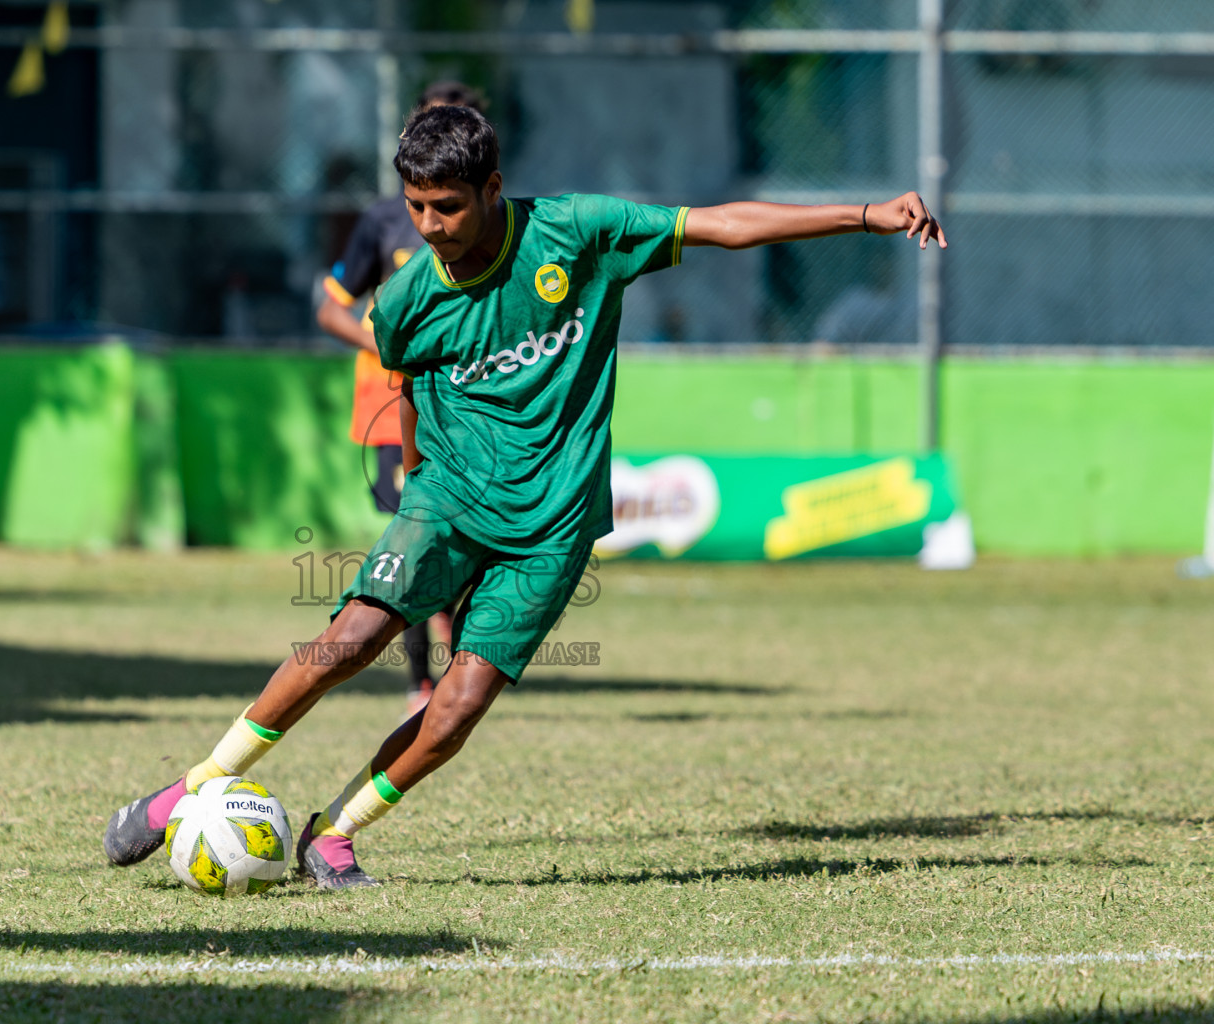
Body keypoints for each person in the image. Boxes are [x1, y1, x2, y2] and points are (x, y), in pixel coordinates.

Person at [104, 105, 947, 887]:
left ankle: (334, 832)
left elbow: (722, 225)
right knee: (351, 637)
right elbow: (408, 396)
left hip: (555, 525)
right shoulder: (404, 301)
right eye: (416, 207)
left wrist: (868, 215)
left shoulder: (578, 233)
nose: (430, 227)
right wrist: (419, 499)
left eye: (447, 207)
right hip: (450, 503)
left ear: (494, 191)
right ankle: (198, 785)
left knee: (460, 703)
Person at [316, 81, 482, 720]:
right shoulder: (386, 219)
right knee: (411, 535)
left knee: (463, 538)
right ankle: (421, 682)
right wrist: (385, 340)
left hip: (468, 405)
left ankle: (461, 667)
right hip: (391, 406)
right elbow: (331, 308)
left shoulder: (491, 221)